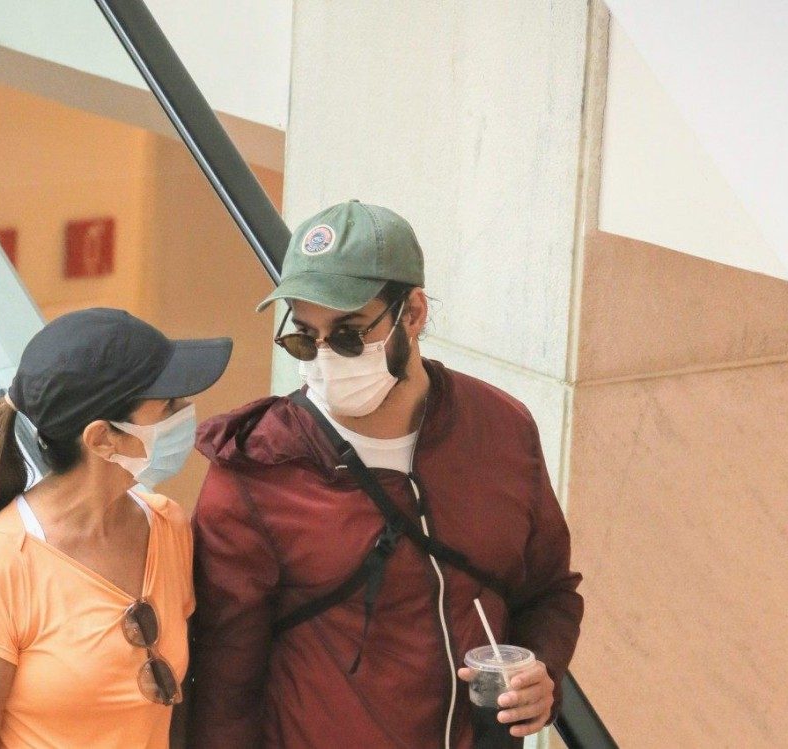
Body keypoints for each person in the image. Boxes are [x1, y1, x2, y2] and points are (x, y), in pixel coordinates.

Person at [188, 201, 583, 748]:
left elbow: (549, 592)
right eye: (303, 335)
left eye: (349, 334)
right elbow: (223, 691)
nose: (324, 357)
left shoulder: (500, 428)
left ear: (413, 314)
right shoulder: (256, 471)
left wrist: (543, 673)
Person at [0, 308, 232, 748]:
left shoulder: (168, 525)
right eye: (168, 405)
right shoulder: (0, 565)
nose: (186, 413)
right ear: (102, 439)